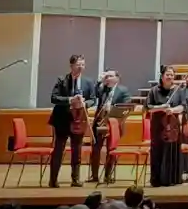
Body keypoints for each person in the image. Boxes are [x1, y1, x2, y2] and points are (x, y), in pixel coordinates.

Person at [47, 55, 95, 186]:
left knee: (77, 150)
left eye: (83, 65)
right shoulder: (62, 80)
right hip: (62, 119)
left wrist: (85, 103)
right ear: (71, 65)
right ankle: (53, 180)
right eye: (78, 64)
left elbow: (93, 99)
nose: (80, 67)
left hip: (79, 120)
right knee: (58, 150)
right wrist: (70, 100)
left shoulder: (88, 82)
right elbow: (54, 98)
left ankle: (75, 179)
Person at [87, 69, 132, 183]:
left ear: (117, 78)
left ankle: (108, 176)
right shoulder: (102, 89)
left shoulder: (123, 90)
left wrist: (112, 108)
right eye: (106, 77)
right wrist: (100, 81)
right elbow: (94, 93)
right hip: (100, 122)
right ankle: (94, 176)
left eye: (110, 76)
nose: (108, 78)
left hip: (114, 123)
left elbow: (126, 104)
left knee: (111, 150)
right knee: (96, 149)